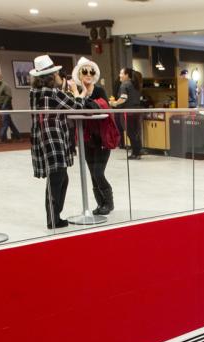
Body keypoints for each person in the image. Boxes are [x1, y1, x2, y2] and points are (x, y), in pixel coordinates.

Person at [28, 55, 96, 229]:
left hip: (42, 138)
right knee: (58, 180)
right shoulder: (52, 93)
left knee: (59, 179)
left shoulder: (35, 92)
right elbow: (77, 106)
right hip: (54, 138)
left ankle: (54, 216)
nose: (60, 76)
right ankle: (53, 218)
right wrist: (81, 92)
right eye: (57, 74)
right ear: (52, 76)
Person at [74, 57, 116, 215]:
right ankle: (100, 204)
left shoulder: (99, 91)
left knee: (98, 172)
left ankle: (109, 203)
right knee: (92, 173)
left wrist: (85, 98)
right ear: (79, 74)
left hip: (102, 138)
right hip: (86, 138)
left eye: (91, 71)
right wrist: (81, 93)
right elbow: (75, 109)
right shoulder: (76, 91)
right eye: (85, 71)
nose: (88, 74)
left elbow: (100, 108)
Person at [108, 68, 143, 159]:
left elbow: (123, 97)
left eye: (121, 73)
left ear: (127, 75)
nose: (119, 75)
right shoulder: (135, 84)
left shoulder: (125, 84)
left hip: (128, 112)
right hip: (137, 111)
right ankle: (138, 151)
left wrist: (114, 103)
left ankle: (135, 153)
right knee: (136, 132)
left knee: (130, 132)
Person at [0, 70, 19, 143]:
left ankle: (2, 138)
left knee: (4, 122)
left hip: (6, 107)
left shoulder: (5, 85)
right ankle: (18, 136)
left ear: (1, 77)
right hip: (1, 106)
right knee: (9, 122)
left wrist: (4, 105)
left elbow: (9, 96)